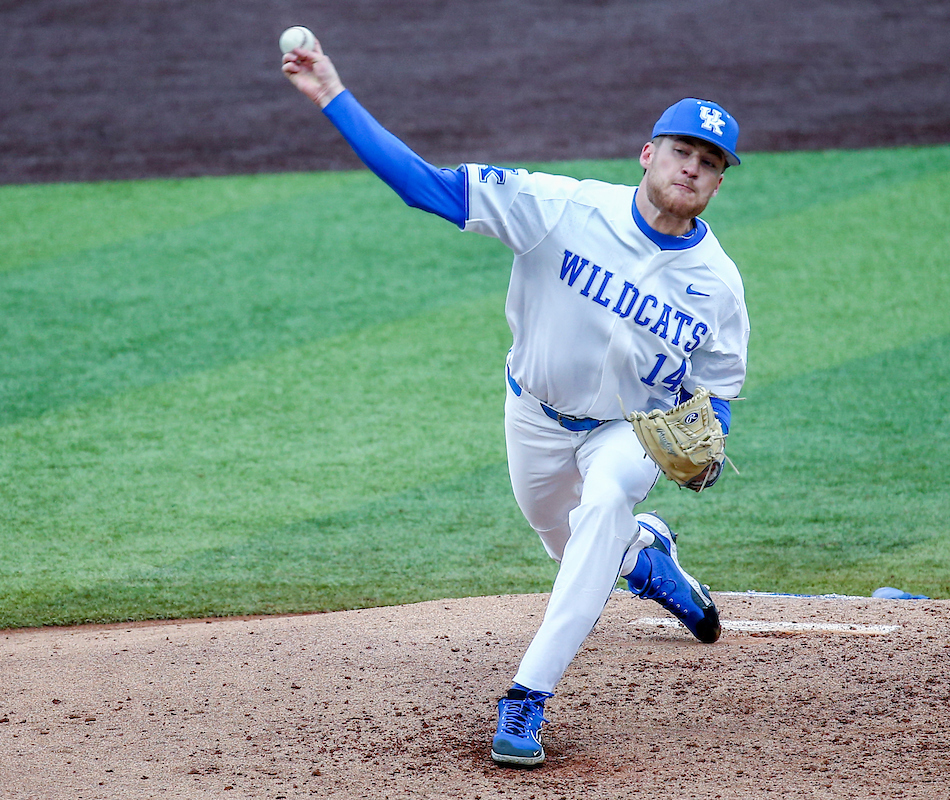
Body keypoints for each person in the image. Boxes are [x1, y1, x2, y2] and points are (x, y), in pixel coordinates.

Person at [282, 36, 750, 768]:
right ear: (647, 153)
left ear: (720, 182)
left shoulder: (718, 282)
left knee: (600, 509)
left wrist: (712, 440)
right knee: (572, 548)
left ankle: (526, 699)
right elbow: (425, 189)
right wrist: (333, 96)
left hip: (628, 433)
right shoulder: (557, 207)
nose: (693, 167)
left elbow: (720, 381)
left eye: (711, 161)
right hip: (533, 415)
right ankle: (648, 561)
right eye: (683, 151)